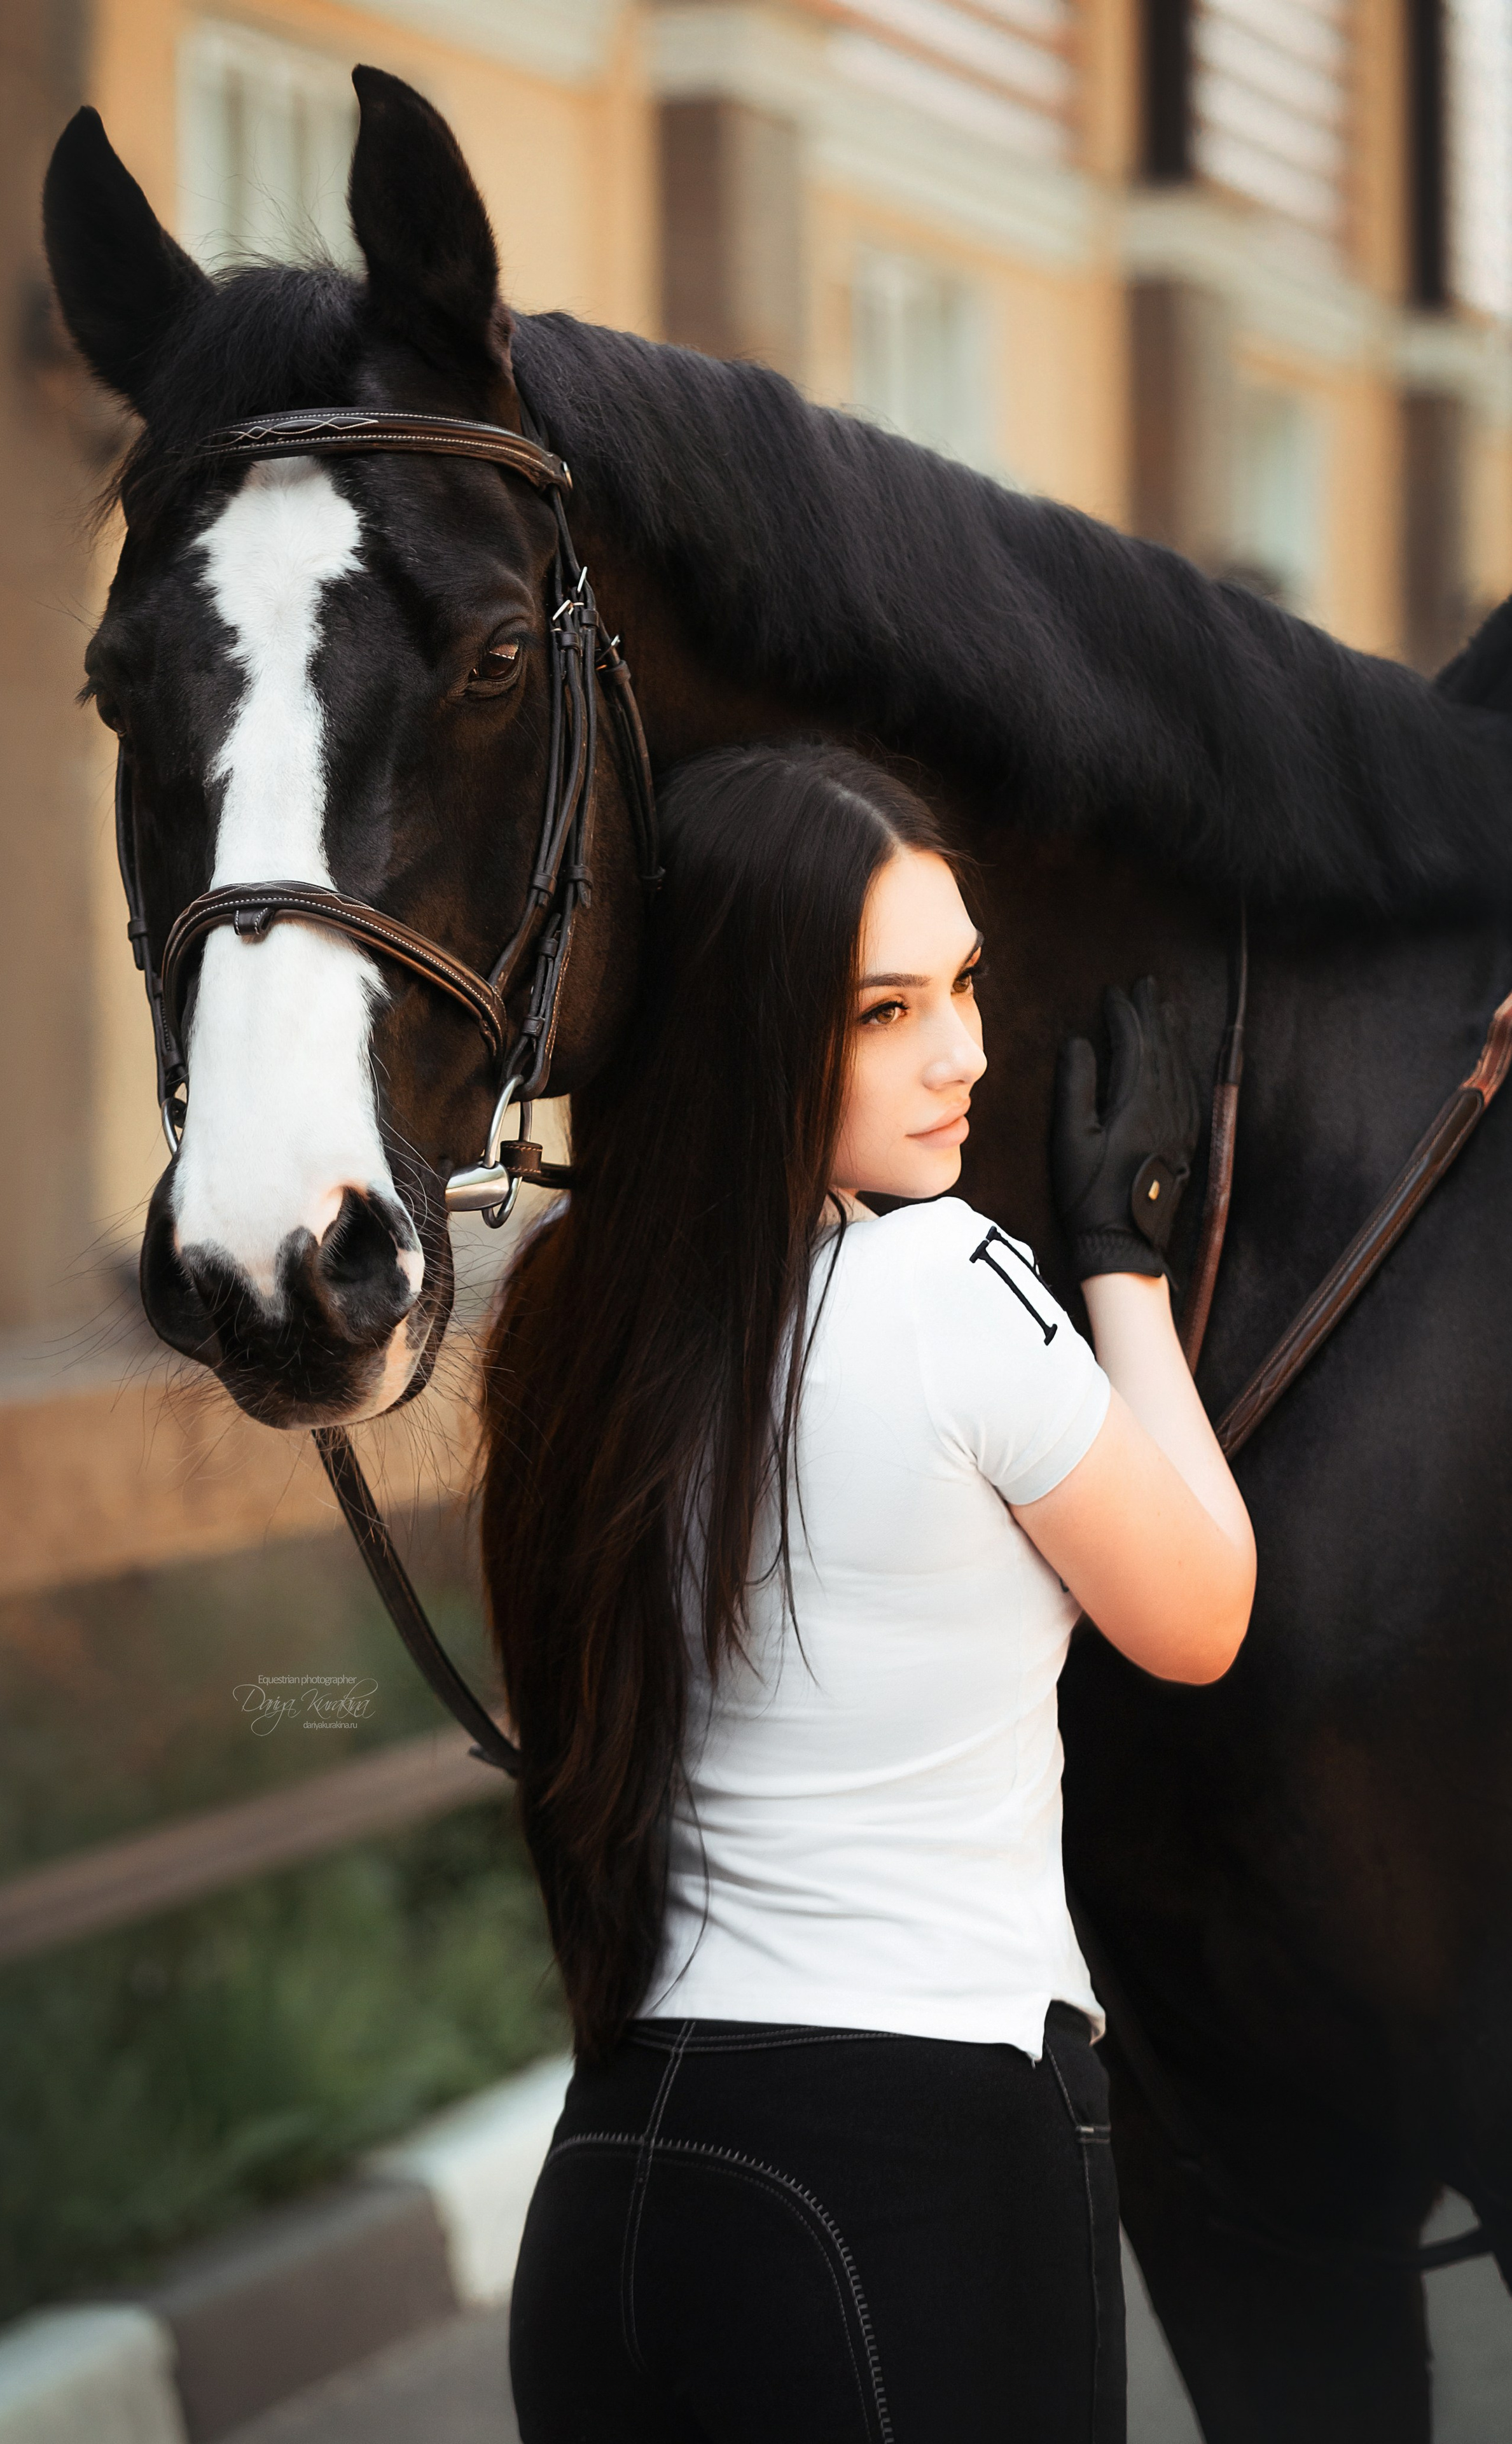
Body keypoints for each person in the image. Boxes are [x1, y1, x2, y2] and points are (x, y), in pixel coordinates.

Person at [483, 743, 1254, 2443]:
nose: (967, 1052)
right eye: (886, 1010)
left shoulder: (566, 1323)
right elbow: (1199, 1609)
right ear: (751, 1030)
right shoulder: (949, 1281)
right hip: (898, 2186)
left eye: (966, 984)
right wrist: (1120, 1267)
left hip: (615, 2188)